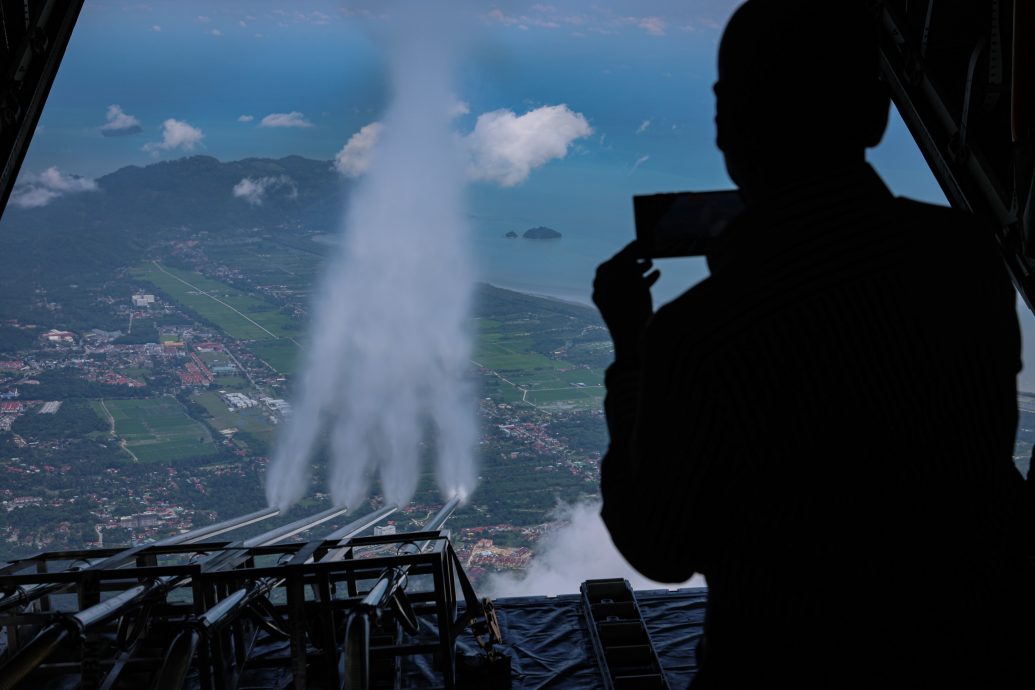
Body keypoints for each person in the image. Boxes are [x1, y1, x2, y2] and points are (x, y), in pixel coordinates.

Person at [593, 1, 1035, 687]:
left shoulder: (700, 334)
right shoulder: (966, 255)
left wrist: (631, 351)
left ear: (726, 120)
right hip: (972, 649)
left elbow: (660, 549)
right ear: (877, 115)